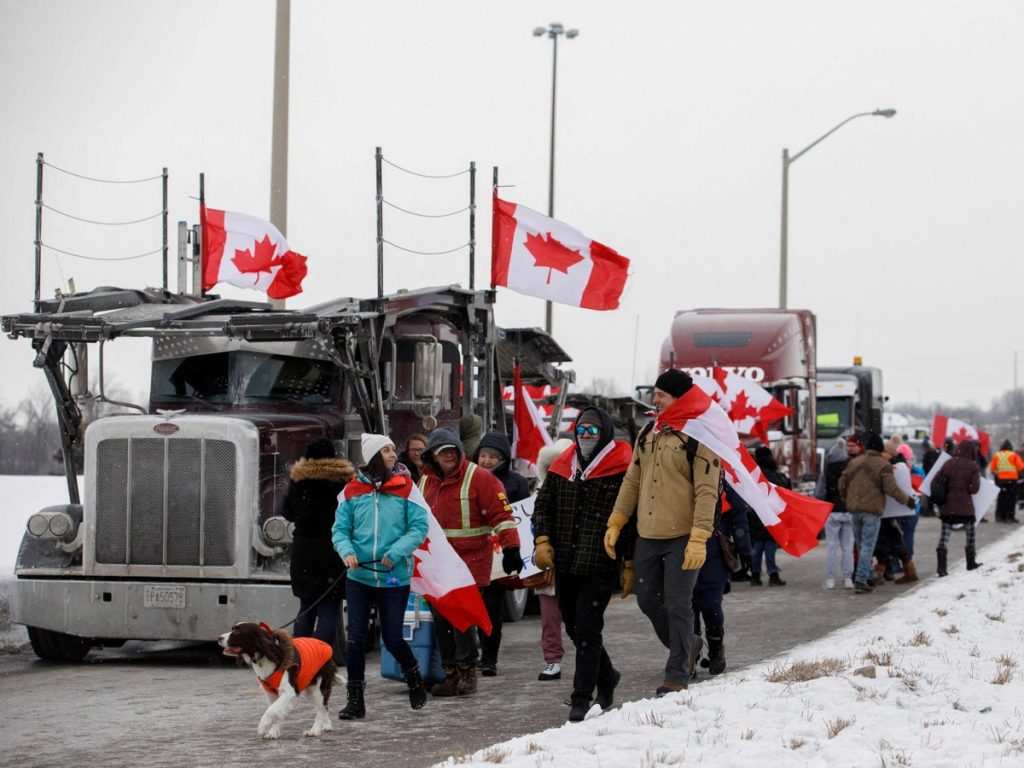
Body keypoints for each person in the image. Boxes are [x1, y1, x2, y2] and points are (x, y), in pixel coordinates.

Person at [606, 369, 721, 697]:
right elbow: (632, 481)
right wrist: (617, 520)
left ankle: (676, 673)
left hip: (683, 536)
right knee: (646, 600)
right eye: (655, 393)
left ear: (679, 399)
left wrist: (699, 536)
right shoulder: (648, 433)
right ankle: (688, 645)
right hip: (648, 534)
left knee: (677, 603)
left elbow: (706, 491)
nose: (654, 399)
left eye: (661, 395)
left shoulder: (700, 437)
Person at [533, 407, 634, 722]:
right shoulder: (563, 466)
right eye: (581, 430)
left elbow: (630, 520)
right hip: (565, 561)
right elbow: (543, 505)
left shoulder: (621, 470)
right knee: (574, 628)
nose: (585, 436)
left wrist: (629, 561)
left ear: (603, 432)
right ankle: (608, 676)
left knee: (588, 629)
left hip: (599, 562)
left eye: (592, 431)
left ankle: (581, 697)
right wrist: (542, 539)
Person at [331, 433, 430, 719]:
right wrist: (346, 551)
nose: (393, 454)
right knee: (356, 639)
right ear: (373, 456)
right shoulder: (351, 491)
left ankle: (413, 674)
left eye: (392, 449)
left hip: (393, 576)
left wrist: (398, 551)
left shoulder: (406, 487)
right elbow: (340, 530)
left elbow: (418, 527)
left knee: (393, 637)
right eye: (386, 450)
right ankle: (355, 700)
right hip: (359, 576)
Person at [418, 426, 521, 697]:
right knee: (441, 621)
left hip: (470, 562)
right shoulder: (425, 481)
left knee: (462, 620)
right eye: (443, 453)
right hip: (438, 565)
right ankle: (450, 673)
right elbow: (417, 520)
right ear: (433, 456)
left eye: (453, 451)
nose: (449, 456)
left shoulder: (481, 478)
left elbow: (502, 515)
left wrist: (511, 547)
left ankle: (467, 673)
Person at [282, 438, 355, 649]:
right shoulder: (343, 481)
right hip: (333, 549)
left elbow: (287, 512)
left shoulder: (299, 479)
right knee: (329, 606)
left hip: (304, 549)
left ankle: (301, 658)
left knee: (306, 606)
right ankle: (321, 658)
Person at [474, 431, 530, 677]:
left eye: (493, 457)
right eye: (483, 455)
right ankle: (468, 657)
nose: (486, 461)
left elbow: (522, 519)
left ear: (504, 459)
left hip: (498, 557)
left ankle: (488, 659)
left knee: (491, 607)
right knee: (471, 607)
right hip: (473, 553)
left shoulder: (516, 483)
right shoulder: (468, 478)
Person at [839, 432, 916, 594]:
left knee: (861, 545)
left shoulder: (854, 462)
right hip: (871, 510)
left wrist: (847, 500)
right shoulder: (883, 465)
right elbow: (891, 489)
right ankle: (861, 580)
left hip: (854, 510)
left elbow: (842, 483)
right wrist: (907, 501)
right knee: (868, 545)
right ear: (880, 448)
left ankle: (866, 576)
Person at [691, 484, 751, 679]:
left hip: (715, 552)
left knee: (711, 605)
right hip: (682, 548)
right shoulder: (678, 476)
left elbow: (738, 517)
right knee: (686, 607)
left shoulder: (721, 482)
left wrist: (744, 549)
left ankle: (716, 647)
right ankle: (688, 653)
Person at [532, 438, 572, 682]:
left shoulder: (580, 487)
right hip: (546, 562)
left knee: (579, 616)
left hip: (574, 559)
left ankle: (592, 658)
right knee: (549, 616)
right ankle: (552, 660)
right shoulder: (539, 490)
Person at [933, 439, 982, 576]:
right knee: (970, 535)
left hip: (948, 508)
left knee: (944, 537)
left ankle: (942, 568)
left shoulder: (948, 463)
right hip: (966, 508)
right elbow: (974, 489)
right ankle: (971, 563)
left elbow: (935, 482)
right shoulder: (972, 466)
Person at [815, 436, 857, 589]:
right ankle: (848, 579)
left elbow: (820, 492)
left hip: (832, 512)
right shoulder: (851, 467)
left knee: (832, 546)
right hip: (848, 510)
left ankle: (830, 579)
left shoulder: (827, 468)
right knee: (848, 546)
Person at [749, 446, 788, 587]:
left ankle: (755, 575)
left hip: (755, 513)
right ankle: (773, 574)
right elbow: (782, 490)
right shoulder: (772, 474)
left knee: (757, 546)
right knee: (770, 545)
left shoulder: (752, 473)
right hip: (770, 514)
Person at [989, 440, 1023, 523]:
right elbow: (1021, 467)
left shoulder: (997, 455)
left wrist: (999, 473)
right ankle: (1009, 517)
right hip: (1012, 480)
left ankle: (1000, 516)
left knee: (1001, 498)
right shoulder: (1014, 455)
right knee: (1011, 499)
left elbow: (992, 469)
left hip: (1001, 481)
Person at [920, 438, 941, 517]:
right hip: (931, 476)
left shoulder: (930, 454)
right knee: (930, 495)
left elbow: (928, 466)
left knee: (930, 495)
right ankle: (930, 510)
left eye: (923, 447)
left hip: (930, 476)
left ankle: (930, 510)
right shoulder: (934, 453)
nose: (923, 449)